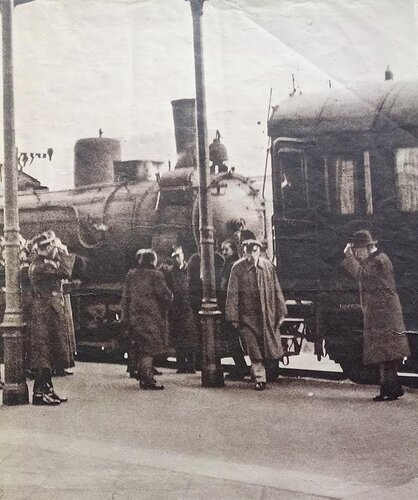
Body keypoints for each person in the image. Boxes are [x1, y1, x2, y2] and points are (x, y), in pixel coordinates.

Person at [342, 230, 410, 401]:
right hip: (383, 315)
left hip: (384, 316)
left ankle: (391, 390)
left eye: (357, 251)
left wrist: (348, 256)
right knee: (385, 355)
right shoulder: (378, 259)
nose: (357, 255)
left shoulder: (378, 261)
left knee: (386, 354)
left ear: (366, 248)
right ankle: (390, 389)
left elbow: (361, 274)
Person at [225, 239, 287, 390]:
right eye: (248, 251)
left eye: (254, 251)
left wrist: (281, 311)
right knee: (253, 348)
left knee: (267, 347)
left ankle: (259, 373)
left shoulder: (268, 266)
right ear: (243, 252)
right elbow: (232, 293)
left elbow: (277, 289)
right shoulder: (237, 268)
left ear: (259, 251)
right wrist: (233, 316)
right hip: (247, 317)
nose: (251, 254)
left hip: (266, 315)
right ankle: (260, 378)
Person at [28, 231, 76, 405]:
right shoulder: (41, 266)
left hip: (48, 311)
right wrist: (63, 252)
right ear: (48, 248)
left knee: (49, 351)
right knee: (43, 352)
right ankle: (39, 394)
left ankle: (47, 390)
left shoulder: (43, 264)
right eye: (53, 246)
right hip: (44, 312)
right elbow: (66, 271)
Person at [121, 249, 172, 390]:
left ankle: (139, 372)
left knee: (138, 345)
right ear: (153, 261)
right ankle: (147, 379)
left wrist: (125, 317)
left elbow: (125, 298)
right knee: (148, 349)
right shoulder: (156, 275)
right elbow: (165, 296)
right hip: (150, 317)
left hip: (134, 315)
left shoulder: (131, 275)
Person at [164, 246, 198, 374]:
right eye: (174, 256)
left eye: (178, 255)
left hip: (188, 307)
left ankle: (191, 364)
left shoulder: (189, 269)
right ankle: (181, 364)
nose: (177, 259)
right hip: (176, 308)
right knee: (178, 336)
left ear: (183, 255)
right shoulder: (170, 273)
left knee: (190, 336)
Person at [219, 239, 249, 380]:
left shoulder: (231, 265)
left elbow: (225, 286)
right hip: (234, 306)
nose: (224, 252)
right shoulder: (233, 263)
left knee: (232, 338)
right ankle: (242, 366)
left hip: (230, 306)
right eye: (223, 249)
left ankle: (241, 367)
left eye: (226, 249)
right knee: (234, 339)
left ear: (233, 250)